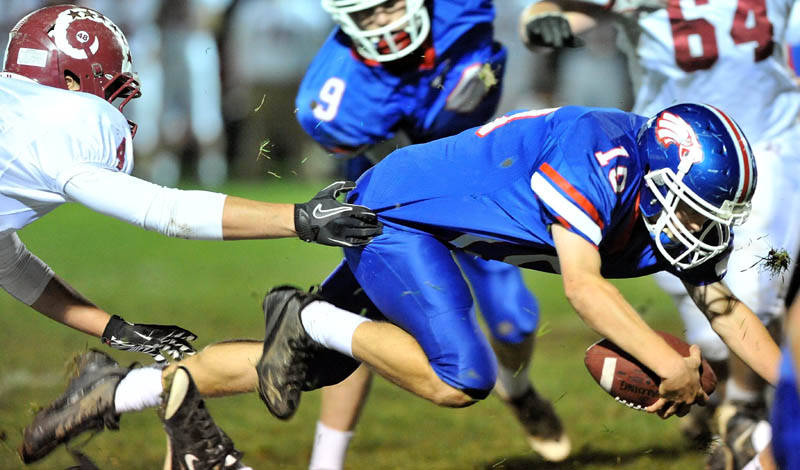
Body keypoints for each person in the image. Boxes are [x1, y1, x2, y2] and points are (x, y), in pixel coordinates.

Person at [22, 103, 782, 469]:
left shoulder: (653, 209)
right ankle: (308, 317)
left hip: (416, 218)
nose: (698, 227)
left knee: (303, 367)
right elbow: (584, 289)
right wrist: (672, 362)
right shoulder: (602, 155)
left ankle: (109, 391)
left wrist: (795, 398)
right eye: (691, 207)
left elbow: (727, 309)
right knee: (462, 378)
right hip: (398, 216)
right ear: (652, 180)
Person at [1, 4, 380, 468]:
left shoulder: (18, 117)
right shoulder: (60, 123)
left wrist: (112, 329)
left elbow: (9, 263)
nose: (116, 102)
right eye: (108, 85)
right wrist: (299, 218)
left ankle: (130, 405)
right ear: (73, 80)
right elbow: (166, 210)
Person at [517, 0, 800, 463]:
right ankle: (723, 399)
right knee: (710, 330)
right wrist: (541, 23)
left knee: (756, 288)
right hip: (674, 159)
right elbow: (556, 12)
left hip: (768, 141)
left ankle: (743, 412)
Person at [294, 0, 568, 467]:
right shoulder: (333, 95)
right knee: (362, 319)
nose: (385, 20)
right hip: (388, 196)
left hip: (476, 181)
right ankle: (327, 461)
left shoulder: (462, 9)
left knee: (514, 319)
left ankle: (518, 393)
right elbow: (405, 159)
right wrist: (443, 117)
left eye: (390, 4)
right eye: (366, 14)